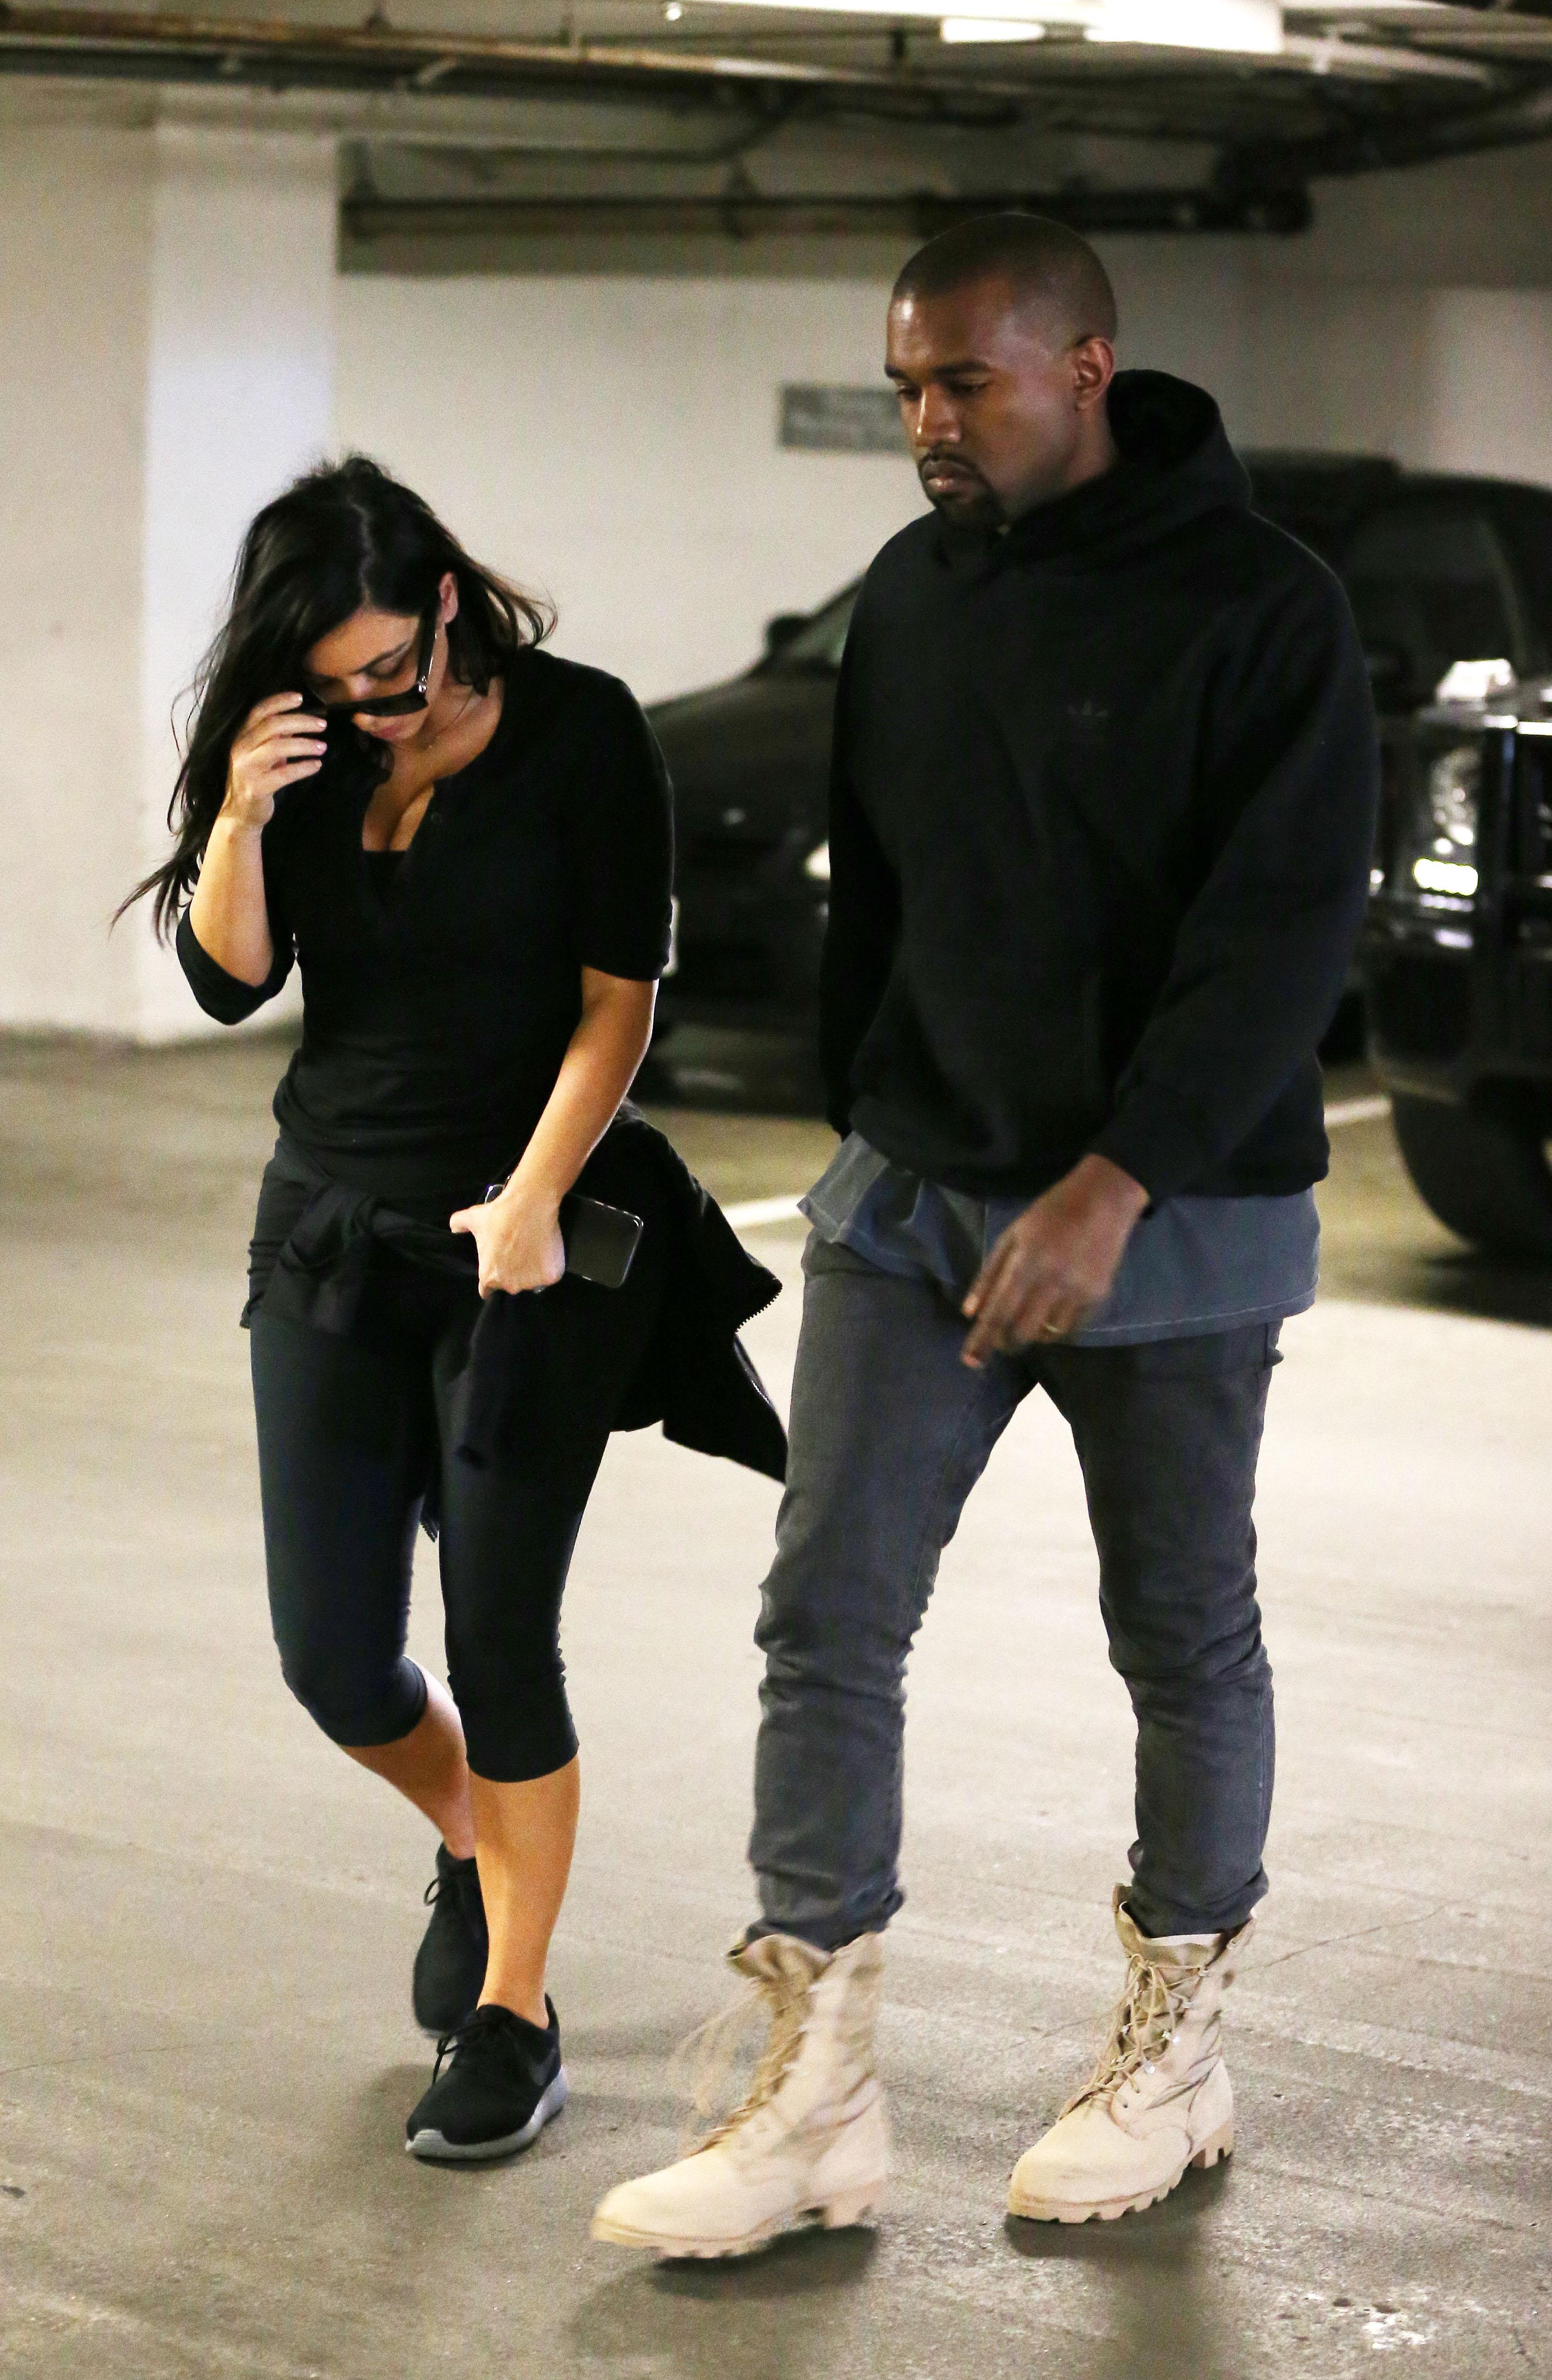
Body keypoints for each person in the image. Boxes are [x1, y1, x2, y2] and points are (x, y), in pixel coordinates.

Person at [593, 213, 1378, 2256]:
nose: (929, 421)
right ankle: (815, 2097)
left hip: (1171, 1218)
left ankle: (1177, 2052)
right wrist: (881, 1118)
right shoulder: (918, 591)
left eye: (970, 383)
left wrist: (1109, 1183)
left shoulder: (1262, 606)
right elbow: (893, 890)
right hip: (918, 1199)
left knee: (1181, 1635)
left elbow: (1280, 938)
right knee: (824, 1617)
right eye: (910, 384)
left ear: (1089, 369)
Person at [121, 458, 785, 2165]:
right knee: (334, 1655)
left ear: (442, 603)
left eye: (392, 673)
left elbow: (617, 1003)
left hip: (532, 1244)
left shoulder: (583, 731)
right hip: (332, 1225)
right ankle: (472, 1838)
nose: (374, 709)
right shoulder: (303, 748)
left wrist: (542, 1198)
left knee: (501, 1634)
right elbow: (226, 981)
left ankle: (513, 2013)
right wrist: (242, 819)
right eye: (337, 685)